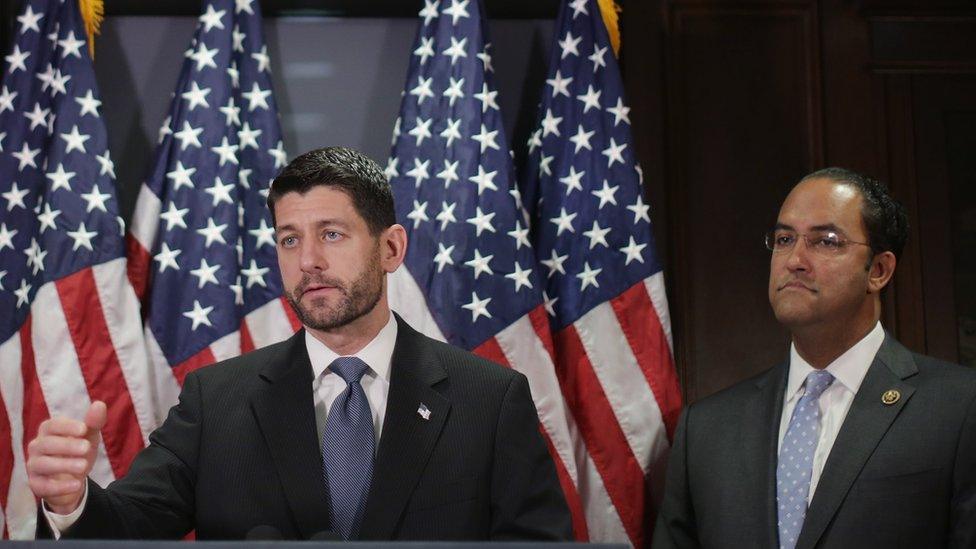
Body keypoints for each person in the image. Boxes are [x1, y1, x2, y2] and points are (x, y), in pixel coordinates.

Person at [26, 146, 573, 541]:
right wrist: (69, 503)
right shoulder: (215, 401)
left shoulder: (490, 399)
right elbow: (130, 526)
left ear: (391, 249)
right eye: (290, 239)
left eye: (331, 234)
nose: (308, 260)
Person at [653, 168, 976, 548]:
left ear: (878, 270)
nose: (794, 259)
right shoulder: (707, 429)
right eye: (785, 239)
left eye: (825, 241)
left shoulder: (959, 408)